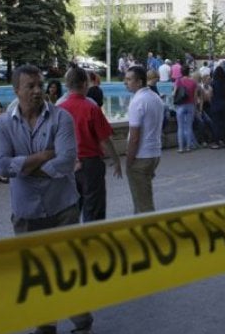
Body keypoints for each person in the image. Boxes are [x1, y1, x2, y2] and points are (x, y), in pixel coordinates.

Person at [0, 65, 97, 334]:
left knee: (70, 270)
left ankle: (83, 328)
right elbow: (0, 166)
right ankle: (44, 326)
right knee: (36, 273)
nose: (37, 90)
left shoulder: (61, 117)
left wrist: (25, 166)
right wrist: (42, 157)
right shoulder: (1, 125)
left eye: (39, 84)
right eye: (30, 86)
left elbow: (65, 160)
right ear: (16, 90)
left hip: (62, 207)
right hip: (26, 212)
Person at [59, 67, 122, 222]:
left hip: (67, 164)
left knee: (71, 208)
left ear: (67, 85)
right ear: (85, 84)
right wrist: (116, 161)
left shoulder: (59, 109)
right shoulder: (91, 108)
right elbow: (105, 139)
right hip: (90, 164)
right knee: (94, 209)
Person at [124, 66, 164, 213]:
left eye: (129, 79)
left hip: (141, 157)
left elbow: (134, 138)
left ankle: (147, 233)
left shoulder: (137, 101)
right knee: (143, 198)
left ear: (139, 82)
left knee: (143, 205)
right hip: (154, 154)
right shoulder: (155, 98)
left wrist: (129, 161)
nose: (125, 82)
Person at [173, 65, 198, 153]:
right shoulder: (194, 82)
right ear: (189, 72)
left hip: (180, 105)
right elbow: (195, 97)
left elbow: (174, 93)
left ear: (181, 72)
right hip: (190, 105)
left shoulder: (178, 81)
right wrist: (196, 107)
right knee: (189, 126)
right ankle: (188, 147)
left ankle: (181, 148)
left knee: (180, 127)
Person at [209, 66, 225, 149]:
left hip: (216, 104)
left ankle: (217, 142)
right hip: (224, 103)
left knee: (216, 124)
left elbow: (210, 94)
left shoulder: (213, 83)